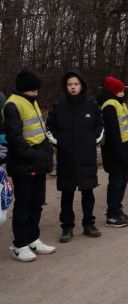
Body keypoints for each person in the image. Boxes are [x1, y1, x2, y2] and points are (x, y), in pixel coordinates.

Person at [47, 70, 105, 242]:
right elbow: (49, 128)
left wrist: (91, 140)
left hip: (87, 157)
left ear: (82, 86)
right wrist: (60, 143)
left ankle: (89, 224)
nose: (73, 87)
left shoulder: (92, 105)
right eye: (70, 84)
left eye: (76, 84)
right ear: (66, 87)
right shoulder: (58, 106)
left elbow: (100, 126)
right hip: (66, 158)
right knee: (67, 194)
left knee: (88, 193)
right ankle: (67, 227)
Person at [3, 70, 55, 261]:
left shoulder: (31, 102)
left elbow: (37, 131)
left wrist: (46, 152)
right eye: (33, 89)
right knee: (23, 206)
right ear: (26, 88)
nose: (36, 93)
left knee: (37, 203)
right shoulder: (13, 105)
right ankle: (19, 245)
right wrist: (34, 156)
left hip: (38, 162)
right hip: (24, 165)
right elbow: (15, 139)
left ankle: (33, 239)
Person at [98, 76, 128, 228]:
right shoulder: (109, 105)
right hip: (114, 152)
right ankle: (112, 214)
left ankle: (118, 210)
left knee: (123, 180)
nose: (123, 93)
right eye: (120, 90)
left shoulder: (119, 103)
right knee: (116, 182)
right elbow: (113, 133)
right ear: (114, 91)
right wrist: (121, 153)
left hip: (123, 149)